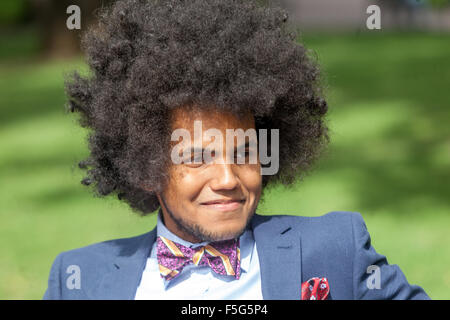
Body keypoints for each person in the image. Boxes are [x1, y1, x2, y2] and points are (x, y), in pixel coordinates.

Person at [43, 0, 430, 300]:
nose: (228, 179)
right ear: (146, 166)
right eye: (196, 157)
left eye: (244, 152)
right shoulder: (79, 277)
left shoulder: (335, 250)